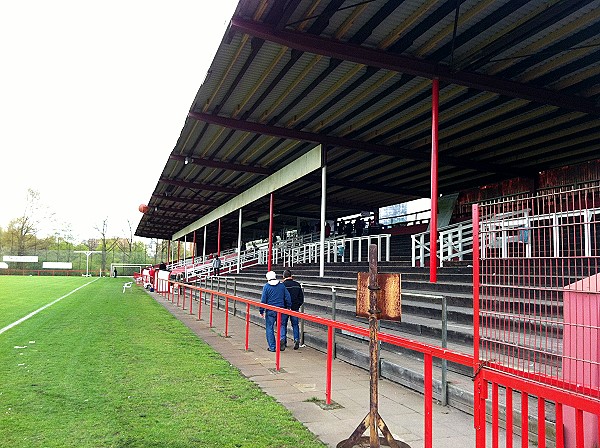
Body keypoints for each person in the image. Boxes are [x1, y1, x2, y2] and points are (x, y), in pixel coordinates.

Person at [259, 271, 291, 352]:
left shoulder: (266, 287)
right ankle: (282, 338)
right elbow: (287, 297)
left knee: (269, 328)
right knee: (282, 326)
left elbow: (263, 300)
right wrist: (288, 306)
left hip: (270, 310)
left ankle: (272, 347)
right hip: (281, 309)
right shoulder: (281, 285)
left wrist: (261, 310)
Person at [281, 269, 304, 350]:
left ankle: (283, 339)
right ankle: (296, 339)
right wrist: (297, 305)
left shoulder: (282, 285)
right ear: (291, 276)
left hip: (284, 308)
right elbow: (301, 298)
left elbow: (281, 297)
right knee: (295, 325)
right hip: (295, 308)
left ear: (283, 277)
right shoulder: (297, 285)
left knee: (283, 324)